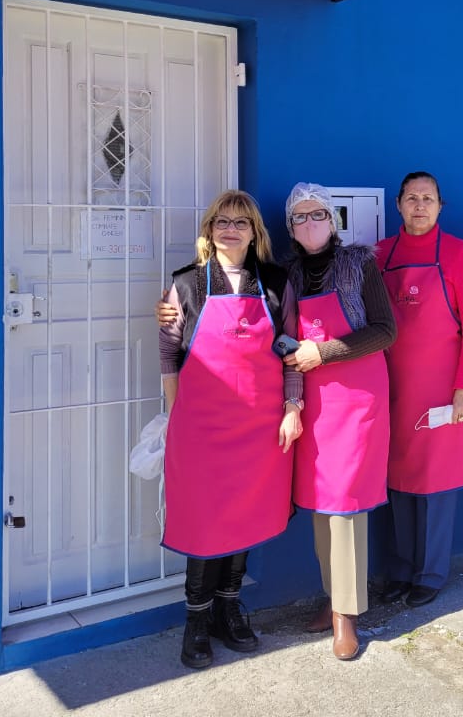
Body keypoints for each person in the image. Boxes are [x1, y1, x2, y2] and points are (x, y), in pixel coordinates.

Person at [158, 190, 302, 670]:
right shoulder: (184, 285)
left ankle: (228, 608)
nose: (231, 228)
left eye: (241, 221)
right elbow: (168, 353)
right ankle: (196, 621)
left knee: (244, 515)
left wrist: (292, 406)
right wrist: (178, 416)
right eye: (222, 220)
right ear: (209, 229)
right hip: (201, 427)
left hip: (260, 425)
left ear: (255, 232)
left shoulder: (277, 283)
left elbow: (290, 351)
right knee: (204, 522)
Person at [281, 183, 396, 661]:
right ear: (290, 228)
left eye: (318, 215)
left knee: (346, 503)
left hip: (357, 394)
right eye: (300, 218)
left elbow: (385, 330)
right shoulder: (285, 273)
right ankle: (333, 599)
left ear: (334, 221)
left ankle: (346, 615)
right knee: (320, 502)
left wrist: (321, 352)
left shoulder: (360, 263)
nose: (310, 224)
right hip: (311, 397)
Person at [376, 172, 463, 608]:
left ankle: (432, 572)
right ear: (398, 205)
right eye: (412, 198)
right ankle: (402, 570)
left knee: (436, 486)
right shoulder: (380, 254)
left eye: (428, 199)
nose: (420, 205)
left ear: (441, 206)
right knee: (399, 482)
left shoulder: (457, 254)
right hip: (391, 389)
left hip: (443, 390)